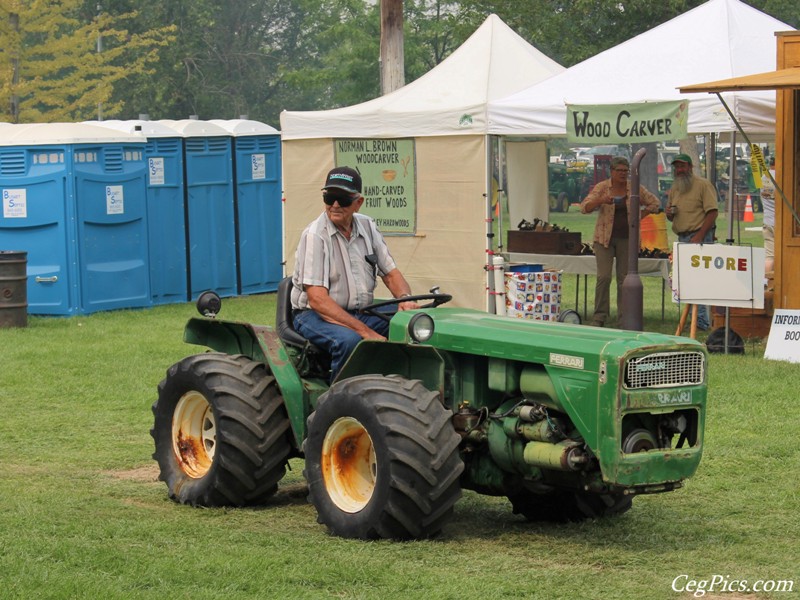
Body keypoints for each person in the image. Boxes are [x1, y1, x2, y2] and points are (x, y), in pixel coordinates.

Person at [291, 166, 419, 379]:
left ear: (358, 202)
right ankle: (338, 402)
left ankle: (400, 385)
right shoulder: (315, 235)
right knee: (350, 341)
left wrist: (405, 299)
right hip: (312, 314)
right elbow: (318, 300)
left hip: (359, 311)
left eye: (342, 199)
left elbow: (391, 274)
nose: (335, 205)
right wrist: (366, 332)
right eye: (330, 197)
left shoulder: (368, 226)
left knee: (415, 323)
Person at [580, 156, 661, 327]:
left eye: (626, 171)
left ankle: (624, 318)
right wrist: (601, 200)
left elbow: (655, 203)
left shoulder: (634, 188)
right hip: (603, 239)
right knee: (604, 277)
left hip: (628, 240)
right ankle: (599, 316)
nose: (623, 174)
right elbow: (584, 207)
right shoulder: (602, 187)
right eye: (620, 171)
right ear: (612, 171)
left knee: (625, 280)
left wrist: (641, 215)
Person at [665, 153, 718, 330]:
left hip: (699, 237)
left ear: (690, 167)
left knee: (700, 279)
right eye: (677, 167)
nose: (679, 170)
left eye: (682, 166)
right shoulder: (675, 188)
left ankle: (702, 321)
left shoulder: (703, 185)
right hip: (682, 237)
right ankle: (695, 319)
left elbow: (712, 212)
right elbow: (673, 216)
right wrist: (669, 215)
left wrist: (701, 235)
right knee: (686, 280)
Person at [760, 156, 776, 274]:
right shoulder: (785, 175)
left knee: (769, 255)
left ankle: (766, 282)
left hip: (768, 220)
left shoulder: (764, 177)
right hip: (782, 223)